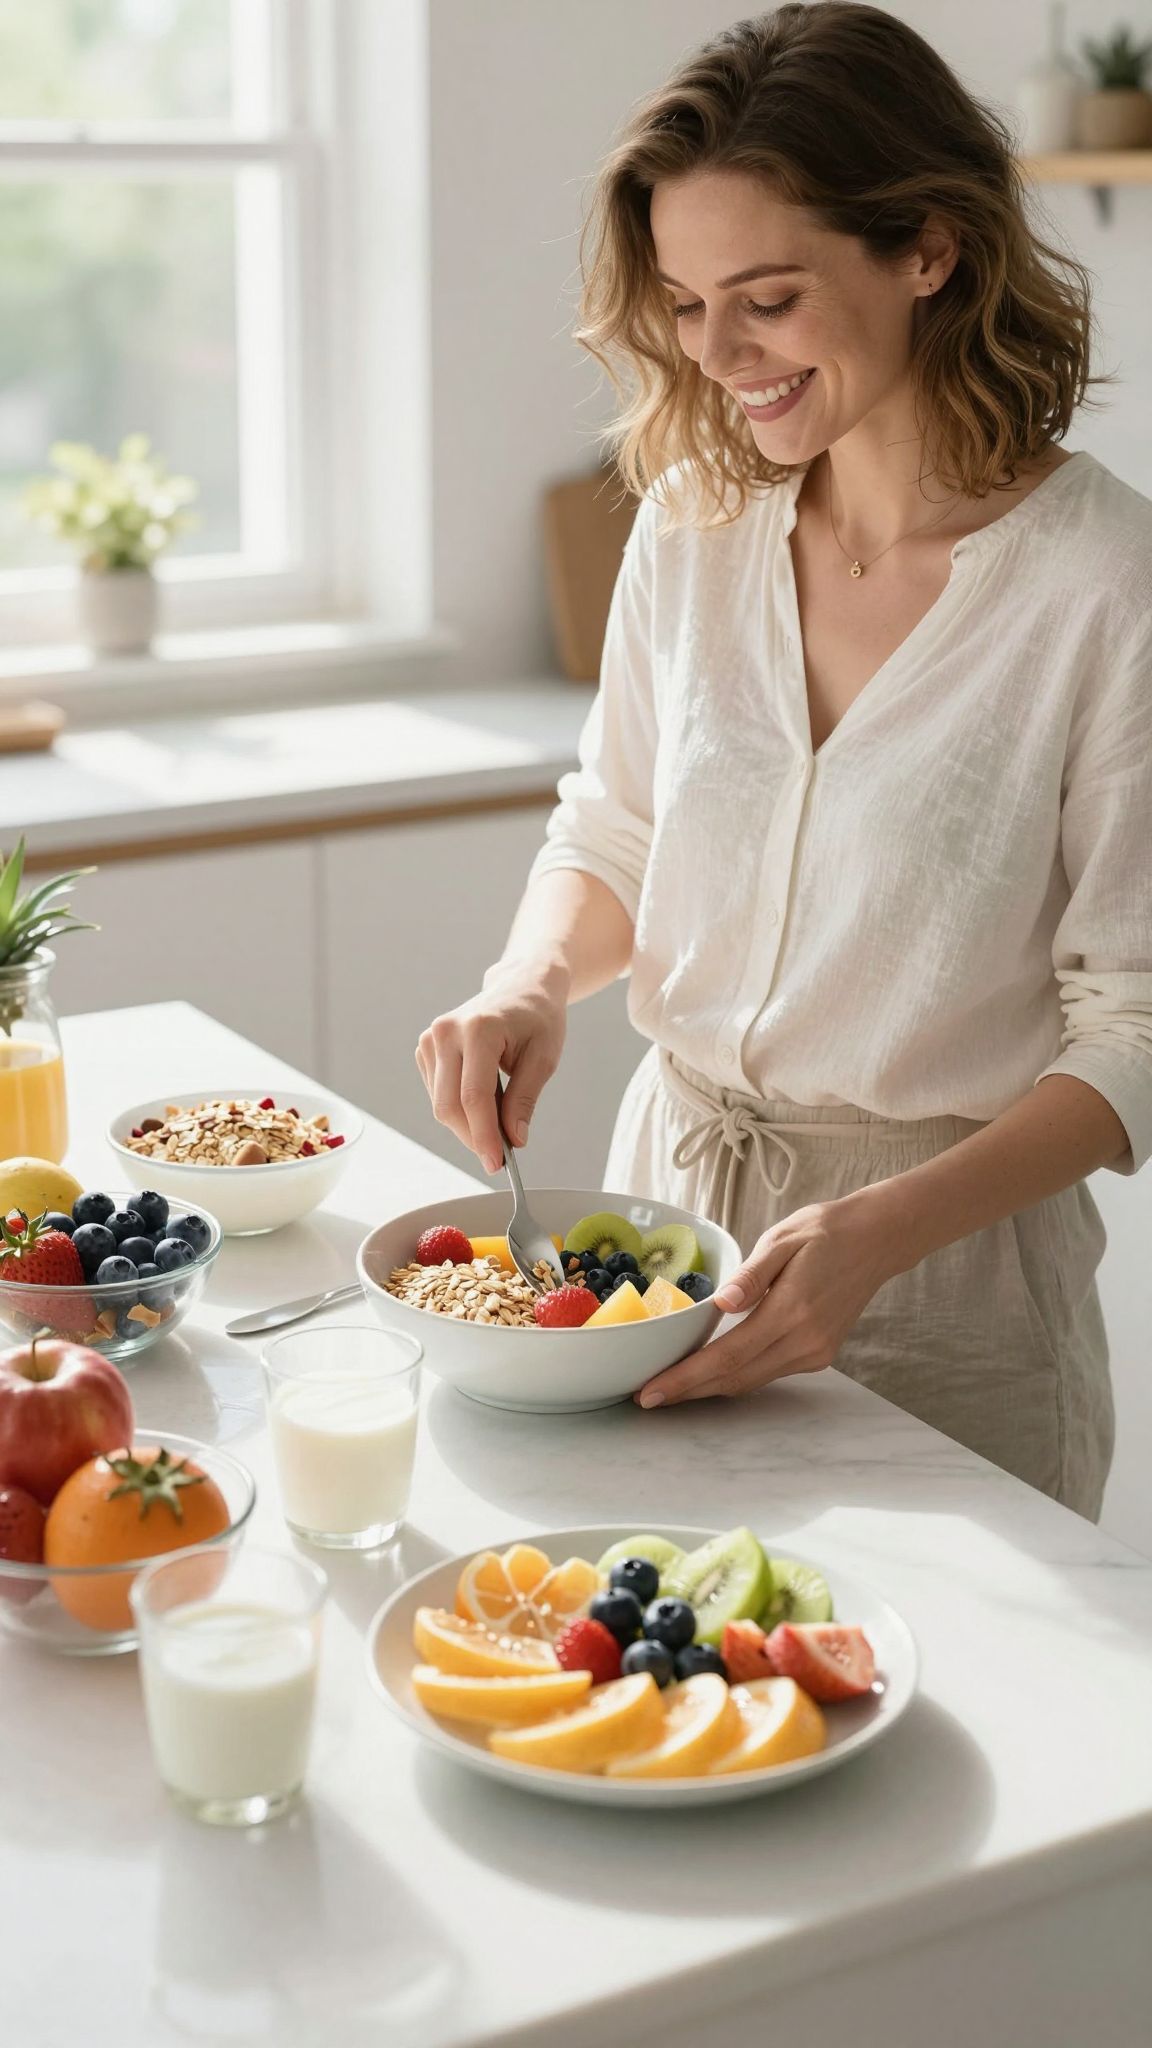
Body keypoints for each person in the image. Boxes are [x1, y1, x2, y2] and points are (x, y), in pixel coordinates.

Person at [416, 2, 1152, 1519]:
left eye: (767, 298)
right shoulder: (693, 522)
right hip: (661, 1242)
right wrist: (530, 982)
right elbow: (618, 831)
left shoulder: (1105, 586)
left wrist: (884, 1229)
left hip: (950, 1292)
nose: (718, 354)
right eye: (688, 304)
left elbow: (1134, 1029)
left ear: (928, 249)